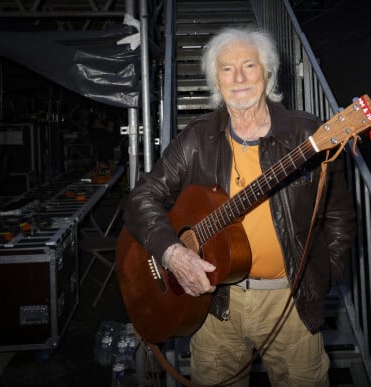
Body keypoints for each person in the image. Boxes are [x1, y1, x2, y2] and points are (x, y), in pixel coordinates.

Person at [123, 27, 355, 386]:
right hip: (216, 306)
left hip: (288, 300)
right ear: (216, 80)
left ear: (267, 72)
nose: (239, 78)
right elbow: (141, 198)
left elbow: (339, 215)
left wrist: (323, 274)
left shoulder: (307, 135)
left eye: (249, 65)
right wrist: (170, 252)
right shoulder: (196, 139)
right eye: (227, 69)